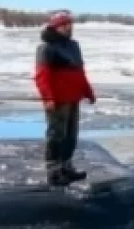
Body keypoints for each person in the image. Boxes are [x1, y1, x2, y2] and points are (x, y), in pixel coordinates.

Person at [34, 10, 96, 185]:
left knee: (71, 135)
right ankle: (54, 171)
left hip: (73, 98)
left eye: (70, 24)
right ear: (55, 27)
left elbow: (79, 72)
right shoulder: (46, 48)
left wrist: (88, 91)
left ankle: (67, 167)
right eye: (64, 25)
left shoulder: (73, 46)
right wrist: (48, 98)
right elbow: (42, 76)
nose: (69, 27)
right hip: (58, 101)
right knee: (57, 135)